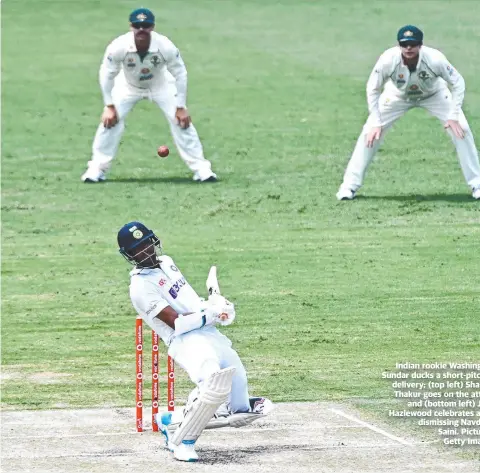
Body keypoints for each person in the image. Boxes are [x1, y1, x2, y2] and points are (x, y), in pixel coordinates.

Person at [117, 221, 273, 462]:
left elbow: (190, 301)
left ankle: (170, 420)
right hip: (185, 341)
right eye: (138, 248)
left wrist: (216, 309)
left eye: (147, 242)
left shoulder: (167, 262)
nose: (146, 249)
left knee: (239, 406)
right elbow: (177, 323)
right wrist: (209, 315)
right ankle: (182, 442)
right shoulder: (140, 287)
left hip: (208, 332)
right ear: (129, 255)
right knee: (213, 383)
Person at [336, 25, 480, 201]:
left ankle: (478, 186)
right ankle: (348, 186)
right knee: (370, 133)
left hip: (434, 95)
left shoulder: (435, 59)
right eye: (404, 44)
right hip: (397, 96)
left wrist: (453, 116)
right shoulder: (388, 59)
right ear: (399, 46)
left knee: (461, 129)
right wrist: (376, 121)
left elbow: (458, 82)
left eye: (413, 44)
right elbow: (372, 88)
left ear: (420, 45)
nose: (408, 48)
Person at [81, 8, 217, 183]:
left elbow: (180, 73)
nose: (141, 30)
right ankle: (96, 169)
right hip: (128, 86)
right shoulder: (118, 46)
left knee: (182, 122)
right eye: (137, 26)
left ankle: (202, 170)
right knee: (110, 122)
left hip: (160, 85)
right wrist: (109, 106)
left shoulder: (165, 45)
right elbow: (107, 73)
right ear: (131, 27)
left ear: (152, 27)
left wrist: (181, 107)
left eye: (145, 26)